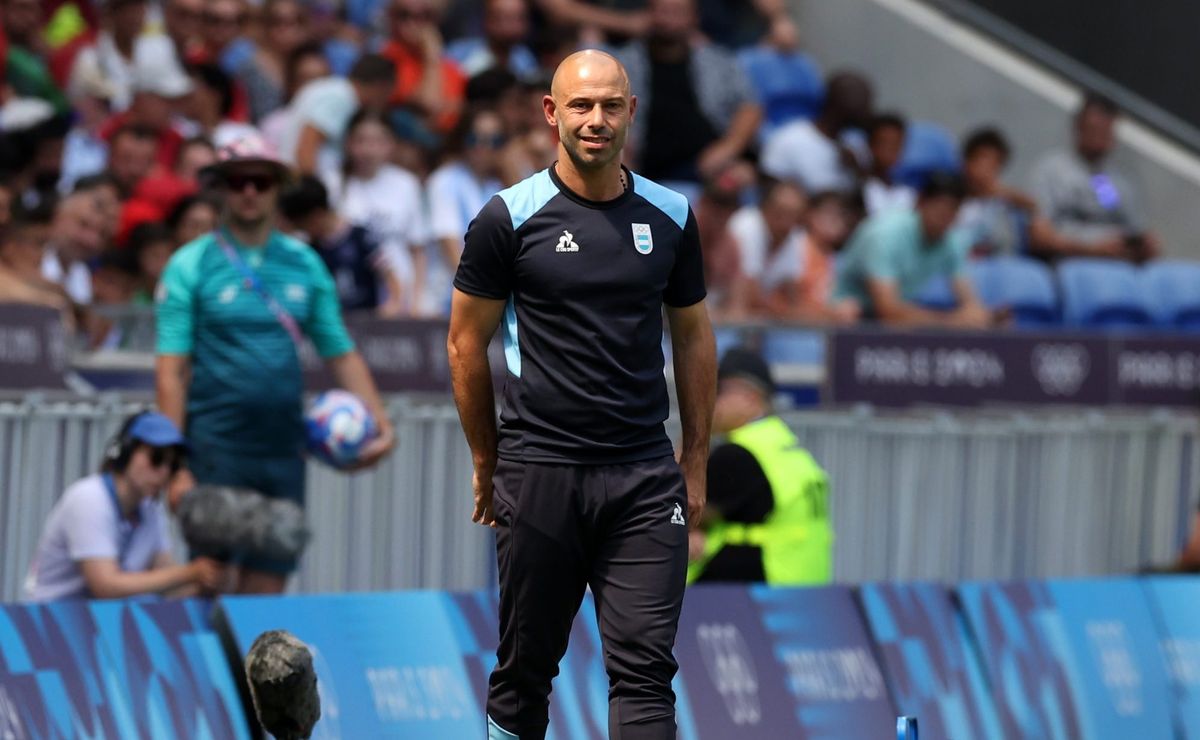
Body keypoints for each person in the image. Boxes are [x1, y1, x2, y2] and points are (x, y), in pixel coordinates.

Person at [448, 50, 716, 740]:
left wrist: (694, 459)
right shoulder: (507, 217)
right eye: (581, 105)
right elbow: (464, 344)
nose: (596, 120)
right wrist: (487, 460)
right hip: (540, 472)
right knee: (525, 671)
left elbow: (693, 338)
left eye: (610, 106)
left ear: (631, 112)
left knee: (645, 673)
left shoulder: (671, 214)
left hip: (642, 478)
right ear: (552, 113)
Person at [155, 134, 396, 594]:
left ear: (278, 188)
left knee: (268, 589)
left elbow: (339, 352)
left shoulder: (305, 263)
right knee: (209, 581)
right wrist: (174, 464)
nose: (249, 191)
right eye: (238, 181)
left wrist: (382, 426)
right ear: (221, 188)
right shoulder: (190, 264)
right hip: (215, 447)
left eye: (261, 182)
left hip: (283, 450)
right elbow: (171, 372)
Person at [22, 411, 230, 602]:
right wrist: (191, 572)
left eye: (173, 465)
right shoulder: (88, 498)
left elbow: (168, 584)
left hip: (94, 623)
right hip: (50, 621)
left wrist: (209, 581)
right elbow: (105, 586)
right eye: (156, 458)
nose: (164, 472)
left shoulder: (149, 509)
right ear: (125, 453)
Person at [687, 348, 832, 584]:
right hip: (803, 587)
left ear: (750, 398)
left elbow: (677, 514)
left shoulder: (739, 455)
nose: (707, 400)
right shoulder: (784, 446)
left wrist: (693, 434)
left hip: (753, 591)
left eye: (717, 390)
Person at [616, 0, 762, 191]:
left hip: (710, 172)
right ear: (648, 14)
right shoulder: (622, 65)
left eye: (678, 12)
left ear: (694, 18)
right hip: (647, 174)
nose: (669, 20)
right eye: (662, 11)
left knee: (743, 176)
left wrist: (729, 147)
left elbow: (750, 106)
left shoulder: (717, 61)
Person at [835, 171, 996, 328]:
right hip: (844, 319)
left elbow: (971, 304)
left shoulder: (951, 240)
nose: (946, 217)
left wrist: (980, 317)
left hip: (894, 323)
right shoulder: (884, 234)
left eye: (953, 210)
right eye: (941, 208)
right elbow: (888, 312)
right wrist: (952, 322)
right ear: (920, 202)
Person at [1031, 92, 1160, 262]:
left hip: (1115, 265)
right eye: (1095, 128)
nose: (1102, 135)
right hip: (1068, 264)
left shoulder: (1109, 181)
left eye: (1107, 130)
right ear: (1079, 127)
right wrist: (1090, 250)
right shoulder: (1052, 171)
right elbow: (1039, 237)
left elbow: (1135, 230)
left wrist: (1144, 246)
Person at [326, 108, 429, 315]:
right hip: (351, 298)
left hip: (402, 299)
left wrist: (417, 300)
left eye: (377, 141)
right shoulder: (332, 184)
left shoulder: (406, 184)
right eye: (361, 140)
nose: (368, 150)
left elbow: (417, 249)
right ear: (348, 143)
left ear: (391, 145)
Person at [279, 174, 404, 316]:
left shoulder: (361, 237)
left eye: (303, 226)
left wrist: (390, 308)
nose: (304, 232)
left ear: (317, 215)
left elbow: (391, 279)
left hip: (367, 321)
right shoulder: (311, 250)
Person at [426, 106, 505, 312]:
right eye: (474, 139)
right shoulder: (444, 180)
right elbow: (450, 247)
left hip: (489, 301)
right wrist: (482, 296)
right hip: (448, 302)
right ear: (461, 139)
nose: (483, 148)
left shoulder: (498, 185)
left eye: (494, 141)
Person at [279, 52, 396, 176]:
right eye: (389, 92)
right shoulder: (340, 98)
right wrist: (312, 184)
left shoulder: (333, 89)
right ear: (381, 86)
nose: (387, 100)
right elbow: (306, 148)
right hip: (302, 178)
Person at [761, 70, 874, 194]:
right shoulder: (790, 139)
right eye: (862, 106)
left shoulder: (857, 145)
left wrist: (857, 171)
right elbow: (769, 190)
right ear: (837, 105)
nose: (867, 113)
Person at [379, 0, 467, 136]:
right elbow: (429, 104)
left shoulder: (452, 68)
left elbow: (457, 114)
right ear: (391, 17)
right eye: (404, 15)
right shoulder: (385, 61)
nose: (414, 22)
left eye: (425, 15)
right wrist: (431, 55)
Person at [234, 0, 313, 123]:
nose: (285, 29)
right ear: (265, 25)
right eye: (278, 22)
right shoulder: (250, 67)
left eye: (294, 22)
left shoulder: (311, 62)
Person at [446, 0, 539, 78]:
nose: (512, 26)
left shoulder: (526, 60)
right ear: (487, 20)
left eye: (519, 19)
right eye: (505, 18)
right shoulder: (458, 55)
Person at [863, 113, 915, 215]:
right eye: (884, 143)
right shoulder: (860, 188)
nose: (890, 150)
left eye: (896, 145)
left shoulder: (906, 192)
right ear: (870, 144)